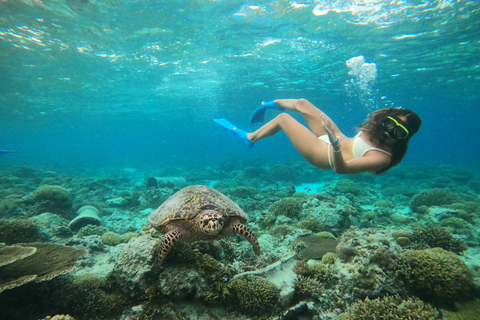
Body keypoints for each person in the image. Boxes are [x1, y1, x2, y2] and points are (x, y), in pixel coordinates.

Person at [214, 99, 421, 175]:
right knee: (303, 104)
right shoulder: (377, 127)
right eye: (389, 124)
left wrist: (334, 145)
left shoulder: (382, 157)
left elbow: (342, 169)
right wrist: (335, 138)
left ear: (405, 138)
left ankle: (250, 137)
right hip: (336, 137)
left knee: (284, 119)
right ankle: (268, 104)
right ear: (385, 119)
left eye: (398, 132)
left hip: (325, 155)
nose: (388, 132)